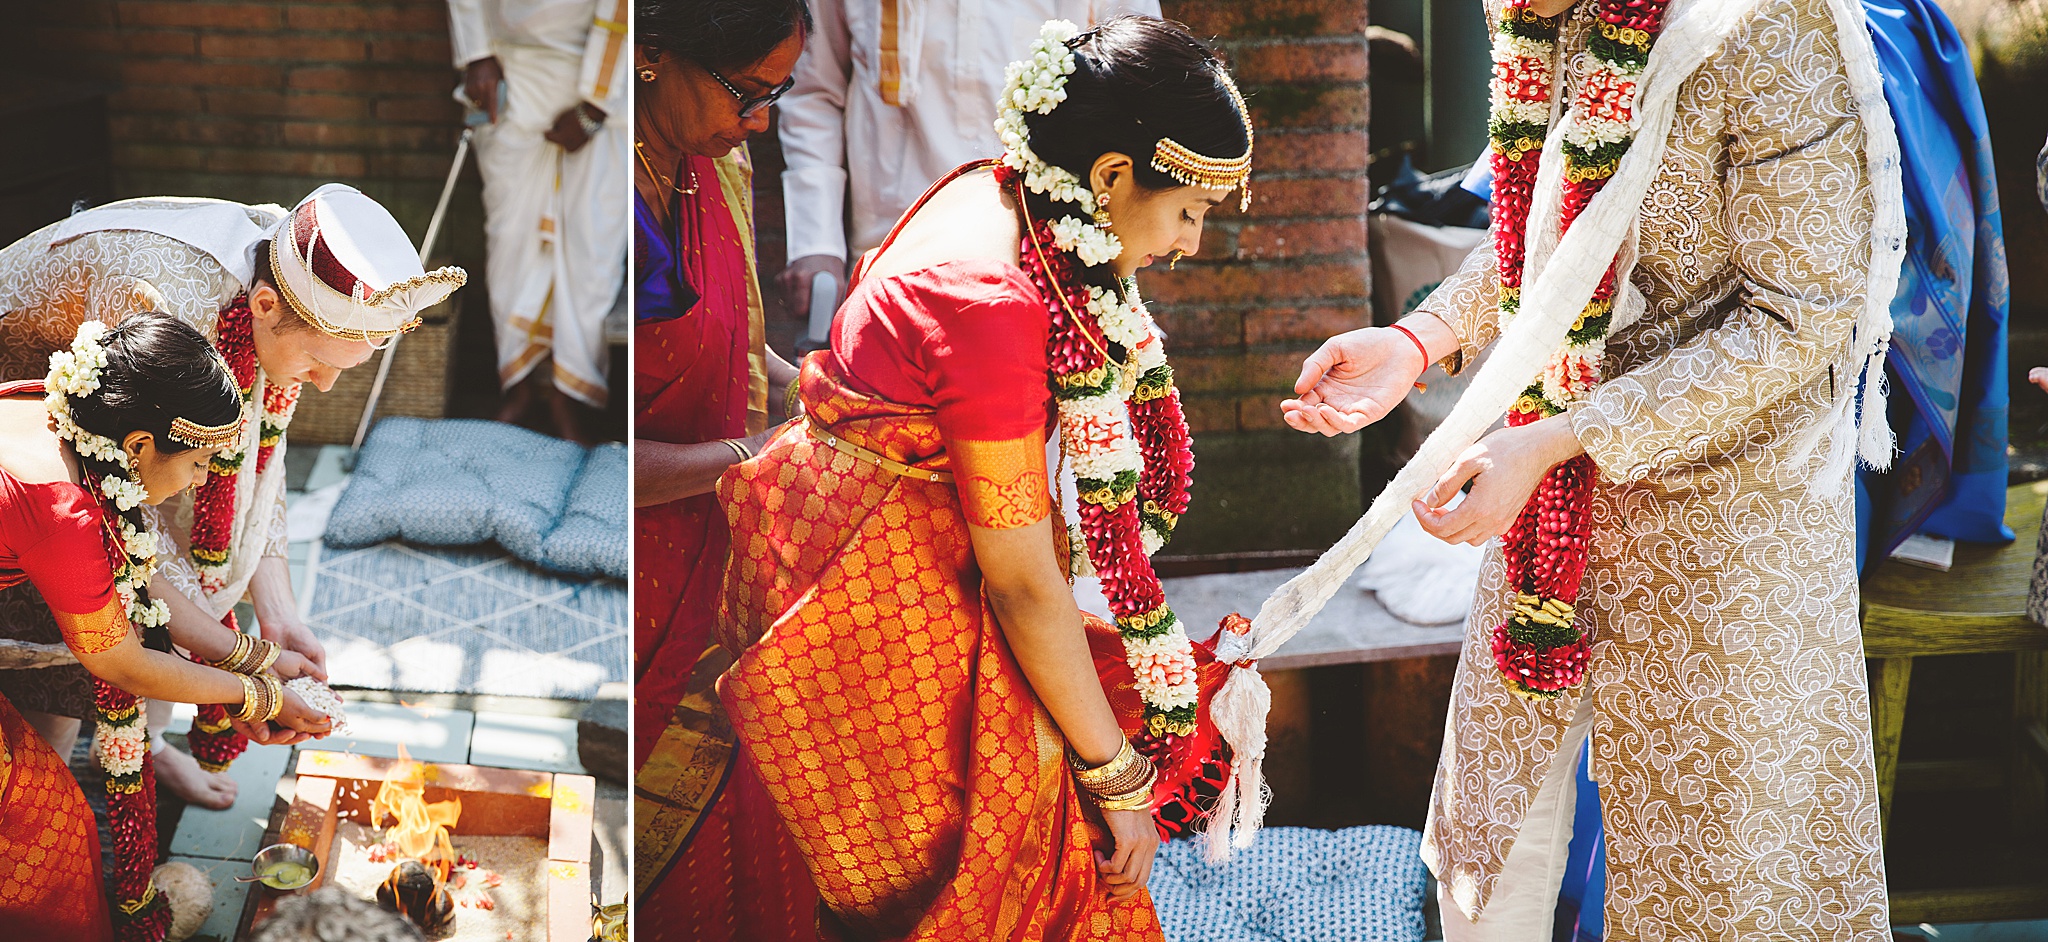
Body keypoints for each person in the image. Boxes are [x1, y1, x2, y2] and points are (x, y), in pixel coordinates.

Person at [1285, 0, 1899, 936]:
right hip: (1546, 498)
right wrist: (1420, 339)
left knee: (1718, 874)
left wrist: (1554, 440)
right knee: (1495, 845)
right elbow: (1542, 239)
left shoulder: (1770, 27)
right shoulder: (1537, 16)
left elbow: (1802, 316)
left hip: (1725, 522)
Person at [716, 16, 1247, 938]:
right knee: (1031, 901)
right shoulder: (989, 302)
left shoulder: (985, 188)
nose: (1191, 243)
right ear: (1111, 178)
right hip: (890, 642)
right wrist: (1118, 776)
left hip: (840, 583)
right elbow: (1022, 582)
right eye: (1190, 211)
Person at [0, 185, 463, 809]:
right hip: (30, 425)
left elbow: (257, 465)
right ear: (264, 306)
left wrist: (277, 619)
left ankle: (142, 749)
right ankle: (47, 803)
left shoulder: (288, 280)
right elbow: (125, 534)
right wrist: (248, 678)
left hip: (79, 467)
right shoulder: (158, 301)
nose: (325, 385)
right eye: (319, 361)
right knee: (64, 679)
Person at [0, 314, 334, 938]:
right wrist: (259, 696)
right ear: (138, 447)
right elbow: (123, 663)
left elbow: (137, 572)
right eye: (200, 461)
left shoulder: (69, 416)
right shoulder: (63, 508)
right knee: (48, 835)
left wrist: (257, 657)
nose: (203, 480)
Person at [629, 1, 811, 939]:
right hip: (639, 580)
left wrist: (816, 388)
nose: (760, 122)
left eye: (777, 94)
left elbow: (736, 344)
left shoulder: (712, 169)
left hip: (723, 557)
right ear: (652, 55)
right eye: (746, 93)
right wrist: (752, 457)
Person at [775, 0, 1157, 320]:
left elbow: (1147, 93)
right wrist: (817, 242)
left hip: (1048, 269)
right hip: (894, 253)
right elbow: (813, 91)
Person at [449, 0, 631, 444]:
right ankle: (519, 386)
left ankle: (568, 397)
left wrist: (596, 107)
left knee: (592, 249)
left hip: (606, 88)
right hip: (512, 75)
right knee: (510, 242)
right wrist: (476, 54)